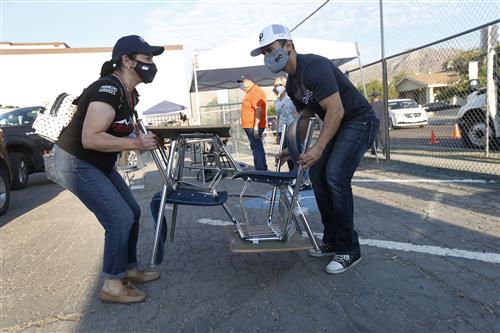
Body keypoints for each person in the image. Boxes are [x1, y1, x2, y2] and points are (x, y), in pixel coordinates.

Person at [251, 24, 379, 274]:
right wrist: (294, 147)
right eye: (264, 52)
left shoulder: (315, 67)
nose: (268, 56)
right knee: (318, 177)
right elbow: (306, 118)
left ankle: (348, 249)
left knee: (335, 176)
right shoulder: (291, 85)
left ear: (288, 45)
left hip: (358, 120)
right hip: (340, 123)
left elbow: (337, 110)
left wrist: (318, 148)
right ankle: (331, 241)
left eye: (270, 49)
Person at [49, 35, 164, 303]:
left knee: (132, 212)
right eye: (146, 59)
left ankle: (129, 269)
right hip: (75, 161)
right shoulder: (107, 89)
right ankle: (113, 284)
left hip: (97, 162)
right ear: (126, 60)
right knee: (119, 217)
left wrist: (141, 137)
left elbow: (120, 128)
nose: (151, 64)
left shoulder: (129, 93)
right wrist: (134, 143)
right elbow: (91, 137)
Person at [238, 74, 268, 171]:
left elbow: (258, 109)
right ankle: (261, 168)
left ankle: (260, 170)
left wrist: (256, 127)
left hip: (254, 126)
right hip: (250, 125)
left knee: (256, 147)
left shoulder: (255, 91)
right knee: (256, 146)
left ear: (249, 81)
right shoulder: (250, 92)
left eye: (242, 82)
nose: (241, 85)